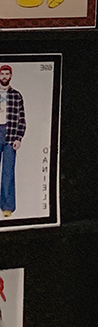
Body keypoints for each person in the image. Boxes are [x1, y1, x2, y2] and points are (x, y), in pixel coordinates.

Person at [0, 66, 25, 219]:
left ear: (10, 75)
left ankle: (7, 206)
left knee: (8, 171)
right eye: (2, 74)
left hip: (10, 134)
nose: (4, 76)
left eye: (6, 74)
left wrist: (18, 138)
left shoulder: (16, 95)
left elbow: (21, 119)